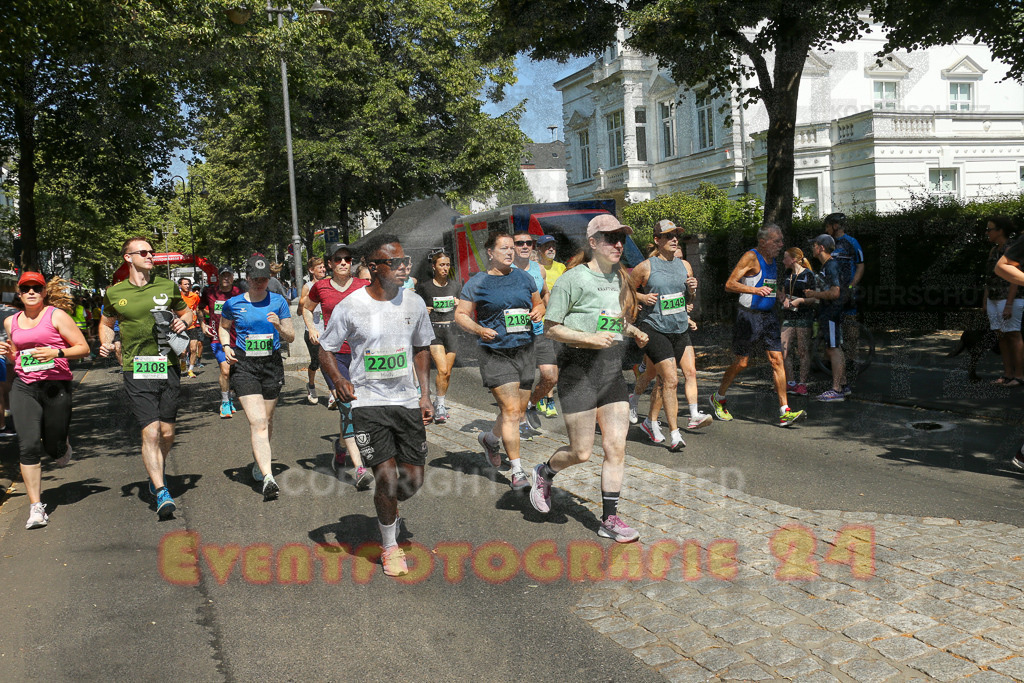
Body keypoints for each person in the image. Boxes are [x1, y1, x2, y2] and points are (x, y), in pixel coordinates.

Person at [318, 234, 435, 577]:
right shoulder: (351, 306)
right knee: (385, 476)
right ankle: (389, 546)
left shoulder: (413, 303)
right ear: (373, 267)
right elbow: (326, 348)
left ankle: (390, 510)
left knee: (411, 481)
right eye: (395, 263)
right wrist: (338, 380)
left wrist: (425, 395)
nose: (404, 267)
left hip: (406, 401)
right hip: (367, 402)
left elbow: (422, 348)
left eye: (405, 261)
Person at [529, 215, 648, 542]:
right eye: (610, 238)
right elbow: (552, 327)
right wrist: (589, 339)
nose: (618, 244)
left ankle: (610, 518)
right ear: (593, 243)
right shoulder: (573, 279)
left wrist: (633, 330)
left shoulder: (619, 279)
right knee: (581, 452)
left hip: (609, 371)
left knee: (615, 447)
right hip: (577, 372)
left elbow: (611, 321)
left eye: (621, 238)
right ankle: (545, 472)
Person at [100, 237, 193, 519]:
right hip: (135, 366)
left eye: (152, 252)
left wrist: (183, 321)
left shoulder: (166, 286)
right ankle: (161, 489)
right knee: (150, 431)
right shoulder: (115, 293)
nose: (151, 255)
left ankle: (157, 472)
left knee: (166, 432)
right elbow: (106, 324)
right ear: (128, 257)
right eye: (144, 252)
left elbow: (187, 311)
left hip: (168, 365)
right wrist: (107, 341)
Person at [454, 232, 544, 490]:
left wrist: (538, 311)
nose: (510, 252)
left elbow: (538, 304)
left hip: (524, 349)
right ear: (490, 253)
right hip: (495, 352)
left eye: (512, 248)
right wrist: (479, 330)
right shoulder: (478, 282)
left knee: (516, 411)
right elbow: (461, 314)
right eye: (503, 248)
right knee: (512, 412)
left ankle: (490, 439)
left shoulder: (524, 277)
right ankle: (517, 471)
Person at [0, 273, 89, 529]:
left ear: (44, 292)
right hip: (24, 386)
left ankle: (61, 445)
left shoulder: (56, 316)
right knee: (27, 445)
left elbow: (82, 348)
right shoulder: (11, 322)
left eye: (36, 288)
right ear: (19, 293)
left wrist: (56, 351)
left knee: (53, 446)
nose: (31, 292)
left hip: (55, 385)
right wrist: (9, 353)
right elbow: (17, 360)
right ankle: (36, 507)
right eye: (25, 288)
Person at [709, 224, 806, 427]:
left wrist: (780, 296)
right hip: (749, 317)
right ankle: (718, 397)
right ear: (763, 242)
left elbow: (769, 286)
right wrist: (754, 291)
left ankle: (784, 411)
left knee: (777, 360)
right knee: (742, 363)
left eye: (781, 240)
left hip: (768, 316)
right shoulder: (751, 257)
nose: (781, 244)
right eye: (776, 241)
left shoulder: (773, 261)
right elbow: (729, 284)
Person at [628, 220, 711, 451]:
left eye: (676, 235)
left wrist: (692, 292)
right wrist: (642, 298)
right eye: (668, 236)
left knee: (664, 380)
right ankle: (675, 434)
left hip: (679, 328)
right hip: (654, 328)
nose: (674, 239)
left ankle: (649, 421)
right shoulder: (645, 267)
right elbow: (627, 293)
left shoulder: (685, 265)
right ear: (657, 240)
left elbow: (688, 301)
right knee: (672, 380)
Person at [219, 255, 295, 500]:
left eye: (264, 279)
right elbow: (223, 326)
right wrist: (225, 346)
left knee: (268, 420)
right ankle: (268, 478)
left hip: (271, 364)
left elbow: (291, 336)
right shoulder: (233, 303)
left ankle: (258, 463)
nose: (260, 283)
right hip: (245, 365)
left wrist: (279, 327)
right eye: (255, 279)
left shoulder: (278, 302)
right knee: (259, 421)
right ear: (247, 278)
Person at [304, 242, 373, 490]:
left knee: (358, 408)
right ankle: (359, 468)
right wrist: (313, 329)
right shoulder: (320, 287)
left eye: (347, 258)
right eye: (338, 259)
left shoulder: (363, 286)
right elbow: (307, 308)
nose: (344, 263)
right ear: (330, 263)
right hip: (333, 356)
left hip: (360, 355)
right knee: (347, 407)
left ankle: (341, 445)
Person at [511, 233, 557, 434]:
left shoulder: (539, 269)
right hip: (517, 334)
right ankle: (519, 421)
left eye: (528, 243)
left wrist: (545, 309)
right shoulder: (506, 270)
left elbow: (544, 292)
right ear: (512, 247)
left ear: (533, 247)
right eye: (519, 243)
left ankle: (529, 405)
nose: (524, 246)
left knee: (551, 376)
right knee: (524, 379)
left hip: (539, 331)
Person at [794, 235, 845, 401]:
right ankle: (842, 384)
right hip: (828, 312)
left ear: (821, 247)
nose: (812, 248)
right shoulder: (827, 265)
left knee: (833, 348)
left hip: (831, 313)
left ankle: (837, 390)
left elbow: (835, 292)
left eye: (814, 245)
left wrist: (814, 294)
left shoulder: (831, 265)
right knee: (834, 347)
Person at [414, 250, 461, 423]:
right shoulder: (425, 287)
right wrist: (423, 311)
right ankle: (440, 405)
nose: (445, 268)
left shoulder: (455, 286)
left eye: (447, 265)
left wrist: (459, 304)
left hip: (452, 331)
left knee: (447, 373)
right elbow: (416, 308)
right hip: (434, 332)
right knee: (441, 369)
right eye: (441, 265)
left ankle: (438, 400)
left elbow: (464, 309)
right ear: (433, 266)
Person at [825, 212, 864, 393]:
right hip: (833, 292)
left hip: (847, 291)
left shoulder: (851, 242)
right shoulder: (828, 243)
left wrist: (851, 286)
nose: (826, 229)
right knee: (833, 328)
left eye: (828, 226)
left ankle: (851, 359)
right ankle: (835, 360)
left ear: (836, 226)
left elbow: (861, 265)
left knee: (851, 328)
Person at [983, 217, 1023, 385]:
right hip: (994, 298)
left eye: (989, 229)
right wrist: (985, 301)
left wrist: (1008, 304)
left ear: (999, 231)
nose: (987, 232)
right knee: (1001, 335)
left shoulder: (1013, 248)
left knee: (1013, 335)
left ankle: (1020, 376)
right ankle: (1007, 374)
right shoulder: (994, 251)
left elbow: (1014, 277)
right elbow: (989, 278)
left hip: (1010, 298)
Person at [199, 267, 243, 417]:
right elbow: (200, 308)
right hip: (217, 338)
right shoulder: (209, 292)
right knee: (225, 370)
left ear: (232, 277)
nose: (226, 278)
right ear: (218, 277)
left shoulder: (239, 292)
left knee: (234, 372)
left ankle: (230, 396)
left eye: (228, 275)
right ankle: (225, 402)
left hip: (238, 338)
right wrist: (203, 324)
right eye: (223, 276)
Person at [535, 234, 565, 416]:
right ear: (539, 250)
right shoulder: (535, 269)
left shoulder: (562, 268)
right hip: (543, 321)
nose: (551, 249)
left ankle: (542, 397)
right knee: (548, 361)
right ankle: (548, 400)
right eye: (547, 246)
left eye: (553, 246)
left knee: (554, 362)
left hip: (559, 320)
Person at [779, 247, 816, 395]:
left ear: (793, 259)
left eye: (785, 257)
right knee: (784, 350)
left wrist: (800, 300)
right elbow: (782, 292)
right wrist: (783, 298)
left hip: (803, 316)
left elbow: (815, 298)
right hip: (789, 316)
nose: (783, 261)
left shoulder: (809, 275)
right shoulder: (787, 273)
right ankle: (791, 382)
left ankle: (802, 383)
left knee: (802, 350)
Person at [299, 256, 328, 404]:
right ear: (311, 270)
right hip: (313, 330)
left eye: (323, 267)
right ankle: (311, 385)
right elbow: (300, 310)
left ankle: (333, 392)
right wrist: (303, 303)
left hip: (328, 330)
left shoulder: (329, 284)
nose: (323, 269)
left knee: (329, 361)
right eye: (319, 267)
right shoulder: (308, 287)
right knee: (316, 362)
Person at [178, 278, 203, 377]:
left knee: (193, 349)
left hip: (192, 326)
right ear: (180, 285)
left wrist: (202, 323)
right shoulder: (177, 297)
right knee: (183, 351)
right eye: (185, 284)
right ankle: (183, 360)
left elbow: (197, 309)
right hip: (181, 326)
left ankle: (191, 370)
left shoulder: (195, 296)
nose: (187, 286)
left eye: (189, 284)